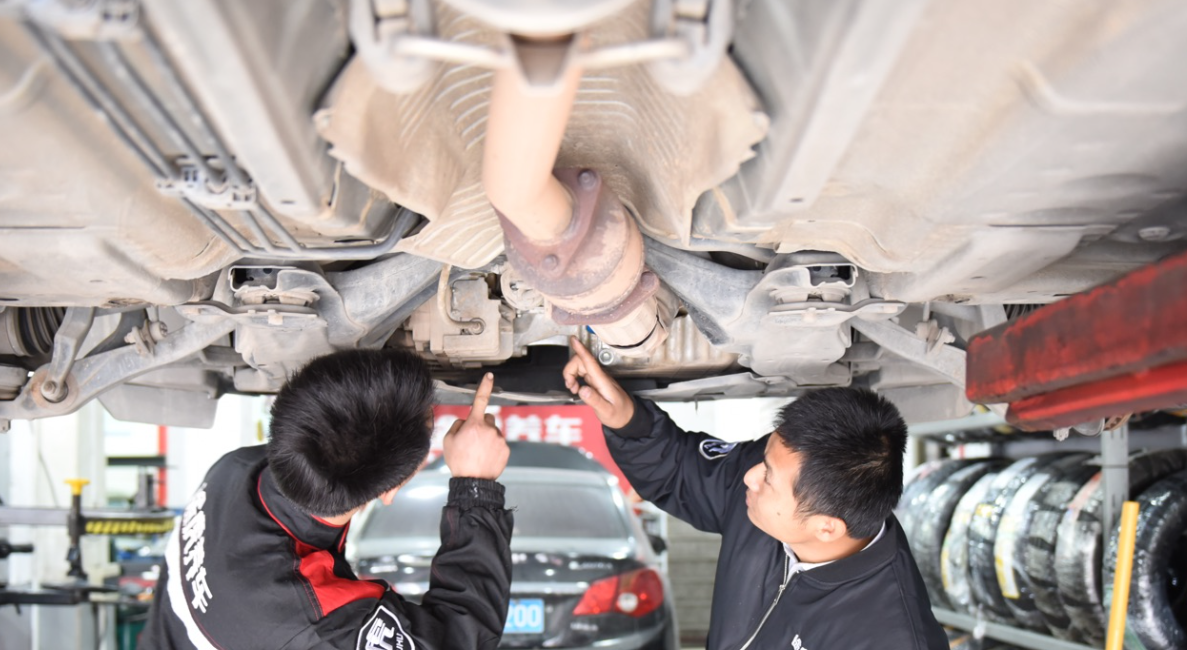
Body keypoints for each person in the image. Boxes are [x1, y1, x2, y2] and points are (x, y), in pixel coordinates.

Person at [563, 337, 947, 649]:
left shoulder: (889, 638)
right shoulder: (783, 483)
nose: (748, 476)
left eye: (768, 477)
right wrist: (628, 421)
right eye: (763, 459)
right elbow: (681, 472)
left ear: (826, 527)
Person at [143, 348, 513, 650]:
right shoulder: (319, 627)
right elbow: (461, 638)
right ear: (391, 489)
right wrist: (475, 489)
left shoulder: (234, 470)